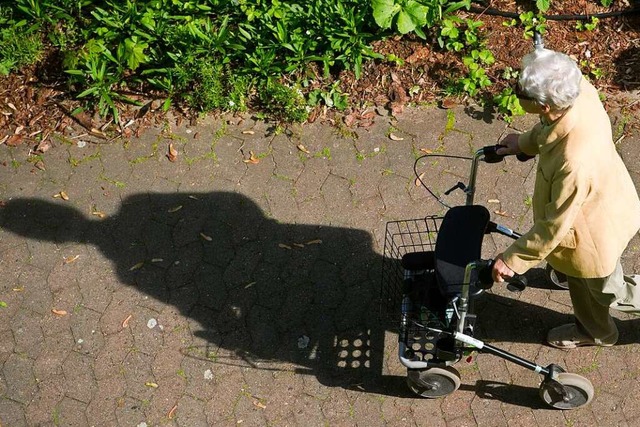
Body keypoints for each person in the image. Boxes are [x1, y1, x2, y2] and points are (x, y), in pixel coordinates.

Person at [491, 47, 640, 349]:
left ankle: (596, 333)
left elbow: (553, 226)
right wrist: (522, 143)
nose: (516, 89)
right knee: (578, 275)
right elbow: (551, 129)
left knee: (609, 291)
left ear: (543, 105)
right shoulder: (579, 90)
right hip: (612, 201)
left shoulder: (574, 162)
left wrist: (513, 260)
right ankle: (565, 272)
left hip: (593, 239)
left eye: (521, 90)